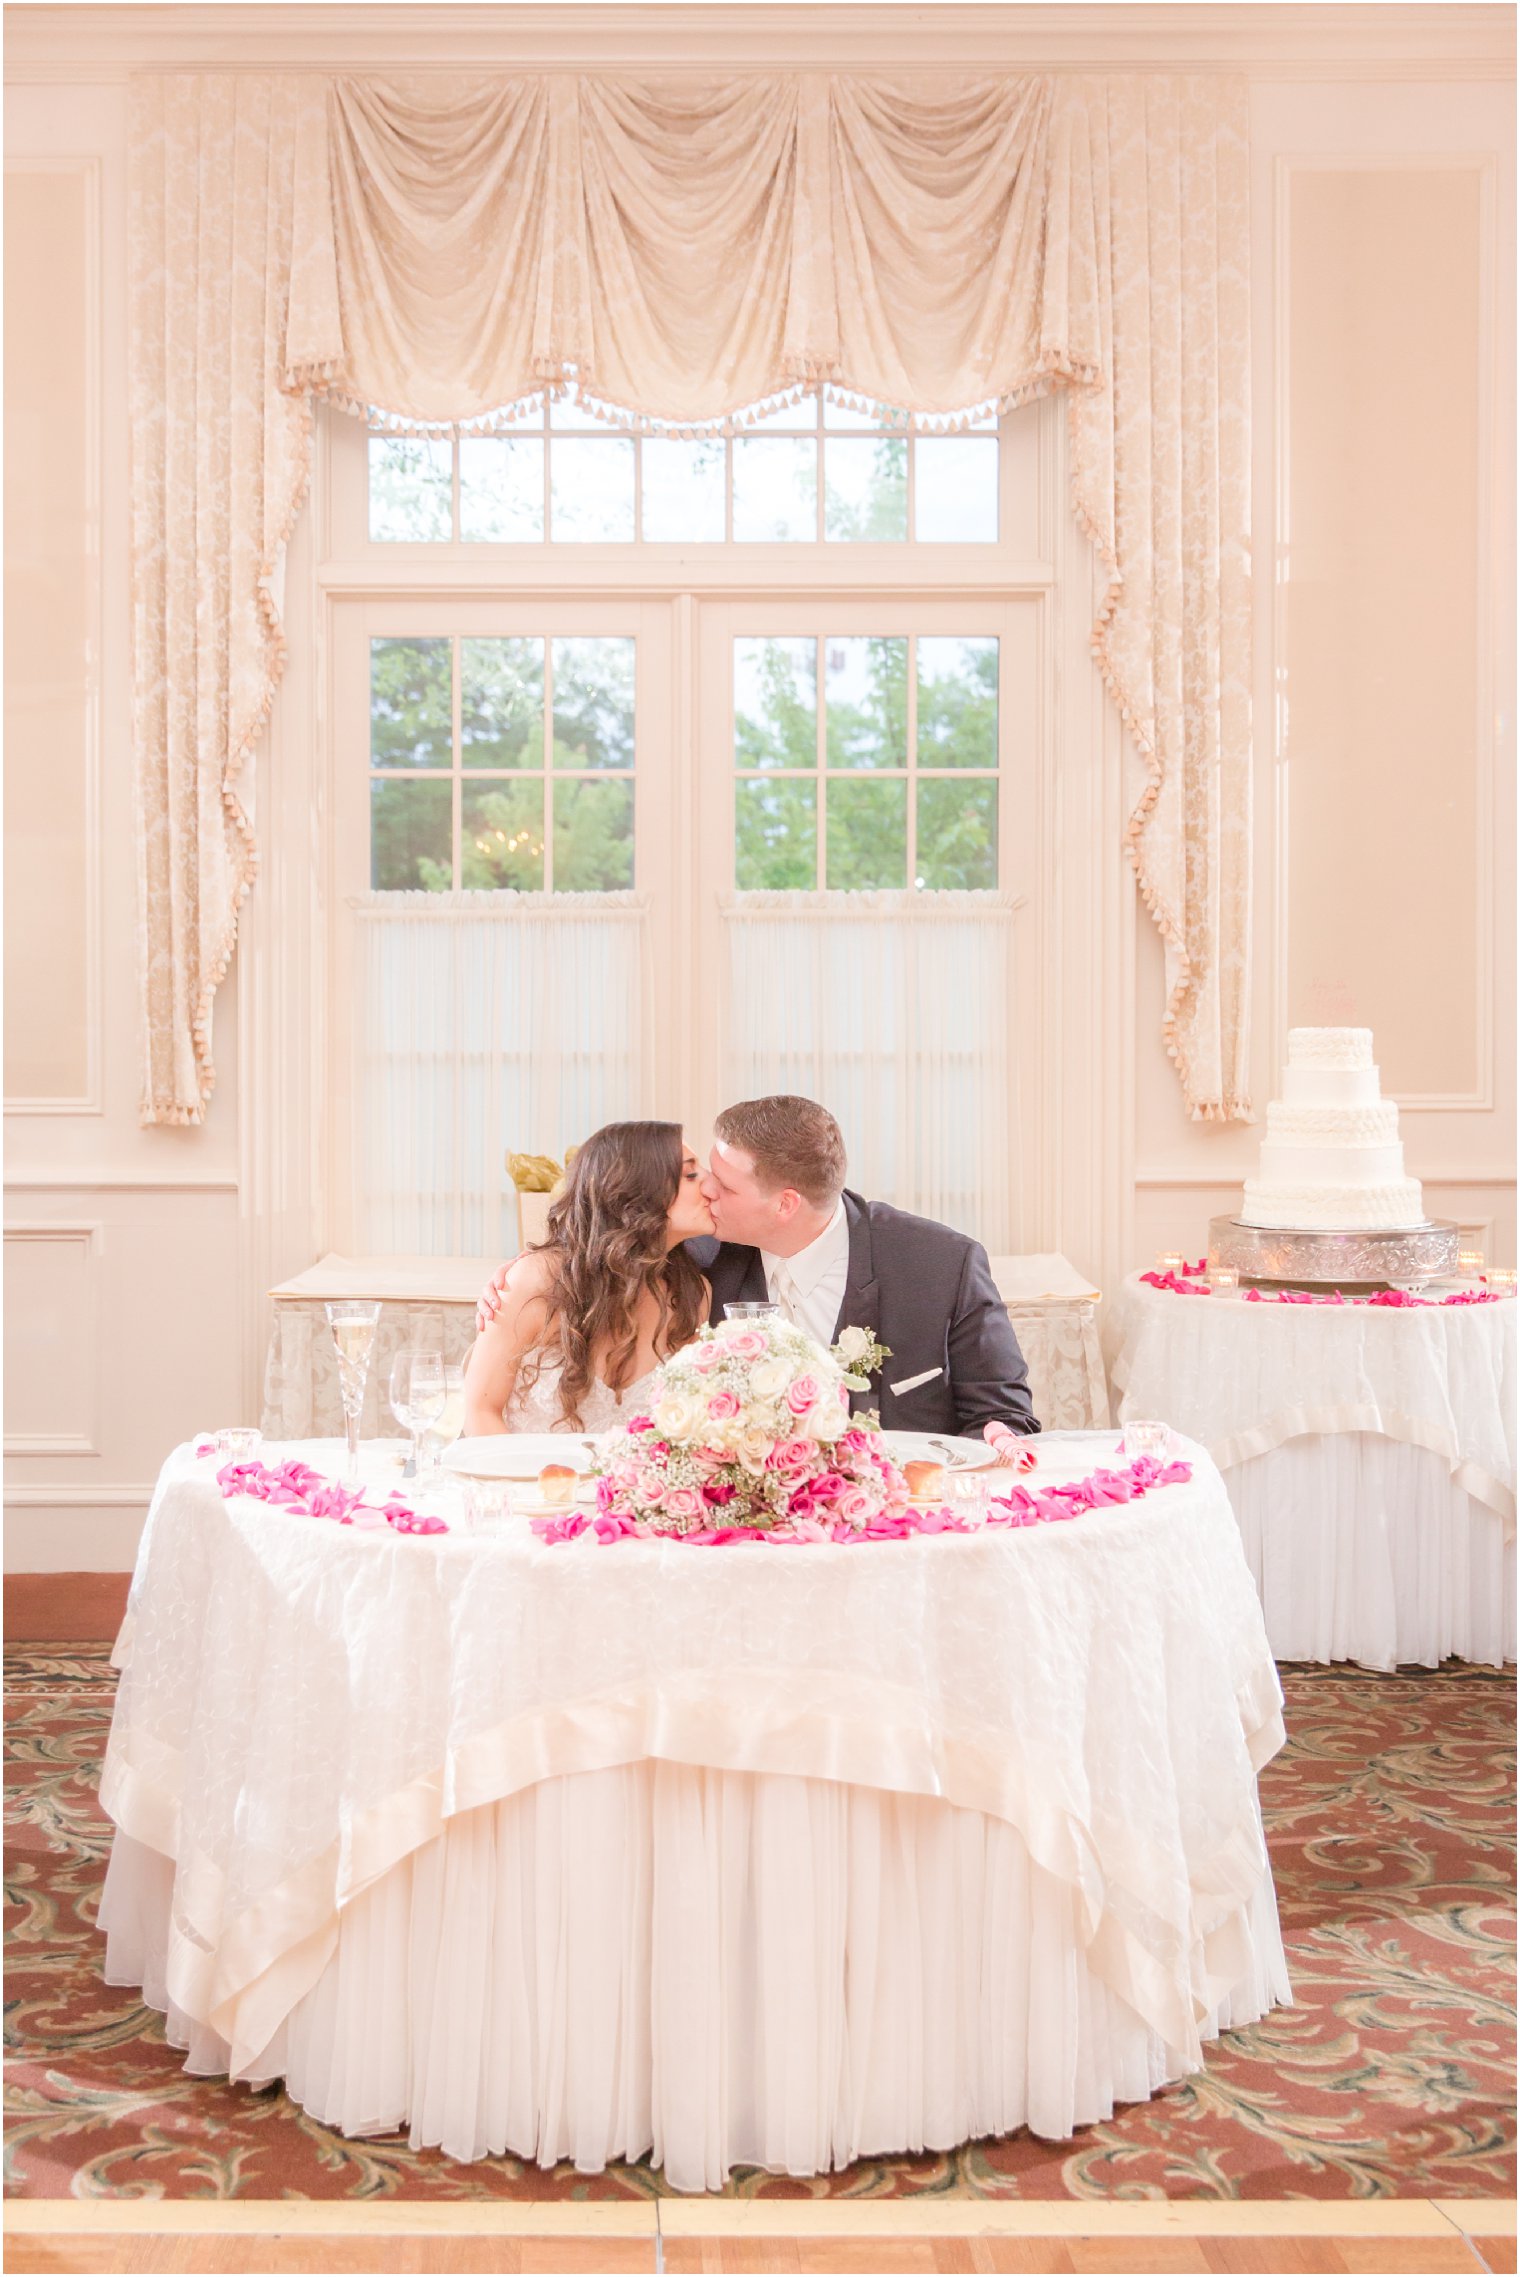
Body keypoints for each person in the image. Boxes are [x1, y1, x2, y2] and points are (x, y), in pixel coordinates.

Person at [478, 1096, 1038, 1440]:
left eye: (721, 1182)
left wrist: (998, 1440)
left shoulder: (940, 1264)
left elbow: (1003, 1413)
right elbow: (602, 1255)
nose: (708, 1191)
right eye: (699, 1173)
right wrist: (533, 1268)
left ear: (785, 1204)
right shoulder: (692, 1266)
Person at [462, 1121, 713, 1435]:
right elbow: (480, 1412)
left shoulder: (692, 1296)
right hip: (521, 1478)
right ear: (638, 1191)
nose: (710, 1184)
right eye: (690, 1174)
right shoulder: (535, 1280)